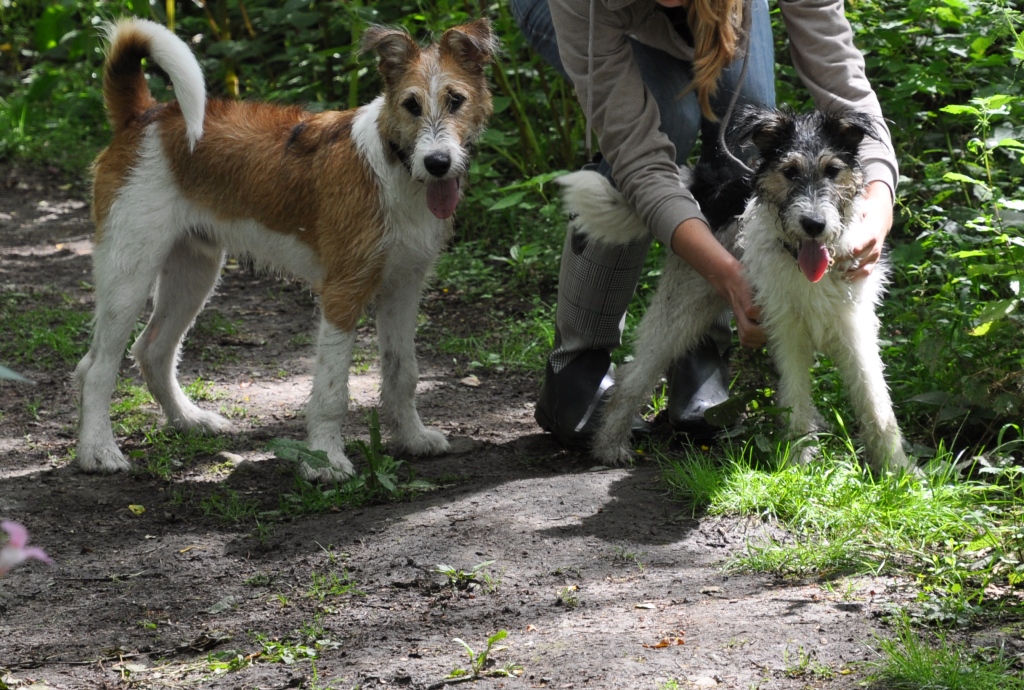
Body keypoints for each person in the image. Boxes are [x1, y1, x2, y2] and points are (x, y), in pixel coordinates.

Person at [511, 0, 899, 448]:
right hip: (583, 11)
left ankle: (700, 355)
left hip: (723, 10)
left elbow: (845, 86)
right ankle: (578, 364)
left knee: (743, 124)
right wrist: (726, 276)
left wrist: (879, 200)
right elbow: (640, 160)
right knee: (669, 117)